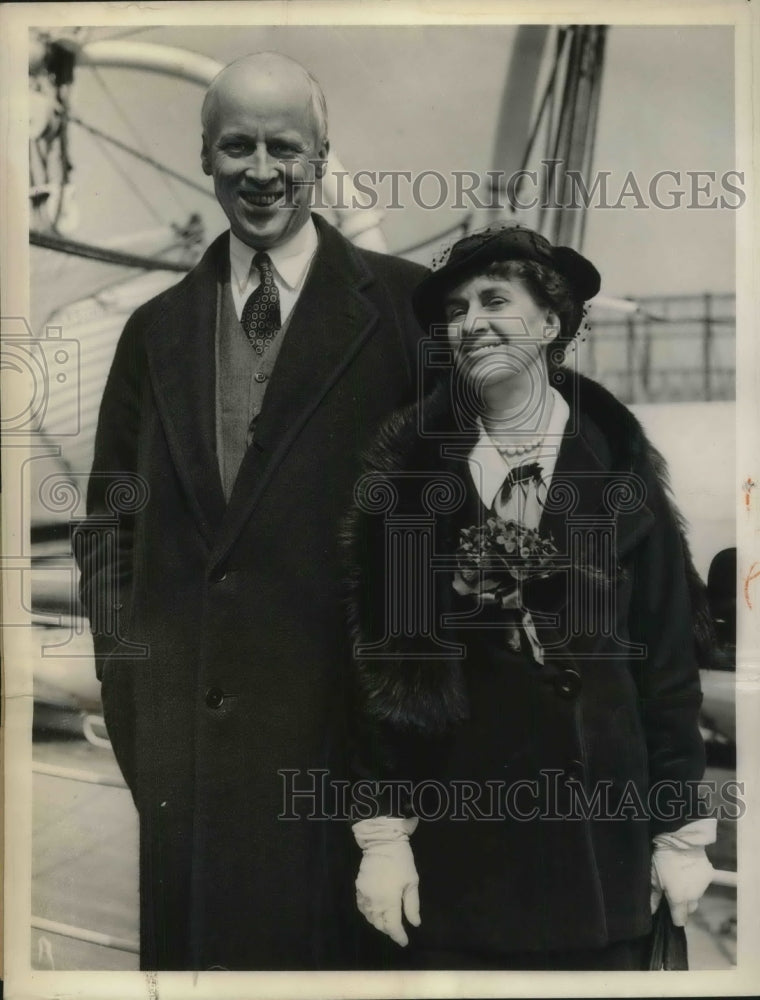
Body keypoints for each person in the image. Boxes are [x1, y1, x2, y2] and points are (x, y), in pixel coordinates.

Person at [74, 51, 427, 971]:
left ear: (322, 157)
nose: (261, 171)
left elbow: (442, 540)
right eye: (238, 147)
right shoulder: (155, 331)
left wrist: (398, 792)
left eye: (284, 147)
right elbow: (110, 526)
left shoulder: (404, 311)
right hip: (189, 777)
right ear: (203, 156)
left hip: (348, 780)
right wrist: (131, 689)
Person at [344, 225, 717, 970]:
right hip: (463, 847)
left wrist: (678, 835)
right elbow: (381, 674)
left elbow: (667, 670)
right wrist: (384, 838)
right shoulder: (412, 479)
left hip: (598, 847)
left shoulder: (618, 467)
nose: (471, 322)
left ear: (551, 323)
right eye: (455, 310)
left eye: (494, 300)